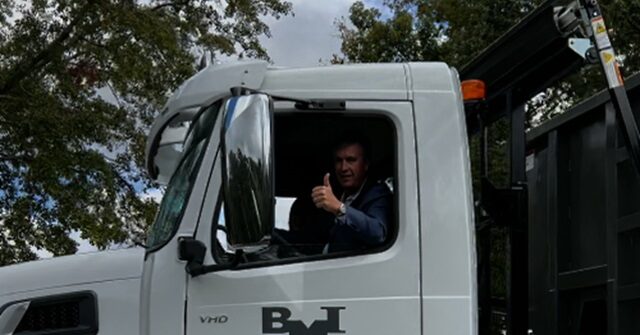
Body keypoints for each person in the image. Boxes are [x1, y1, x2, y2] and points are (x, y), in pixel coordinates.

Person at [311, 135, 392, 253]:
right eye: (339, 161)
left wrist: (339, 208)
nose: (343, 168)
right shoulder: (333, 195)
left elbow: (377, 232)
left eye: (351, 160)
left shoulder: (378, 193)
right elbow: (310, 237)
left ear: (365, 164)